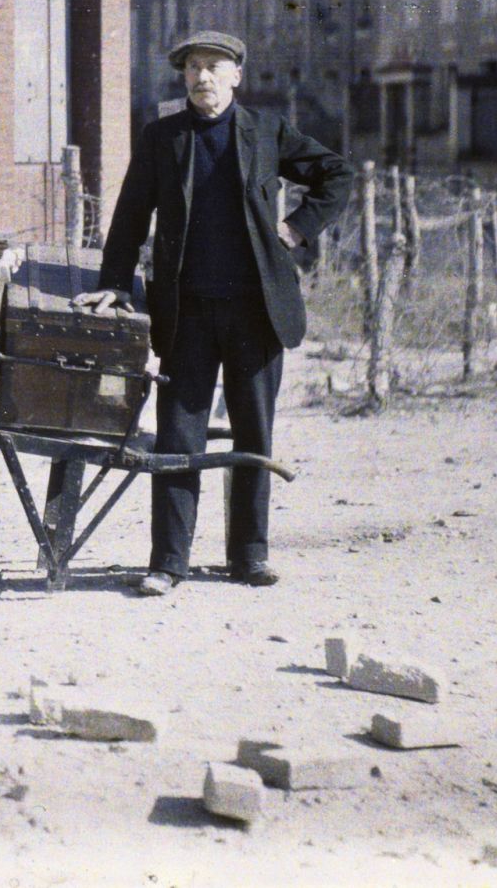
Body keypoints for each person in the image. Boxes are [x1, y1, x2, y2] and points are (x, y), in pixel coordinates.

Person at [79, 32, 353, 595]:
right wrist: (114, 283)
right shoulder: (163, 138)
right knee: (179, 437)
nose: (202, 77)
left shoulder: (267, 132)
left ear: (237, 76)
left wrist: (297, 226)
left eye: (214, 67)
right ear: (183, 79)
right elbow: (130, 217)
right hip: (187, 314)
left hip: (257, 312)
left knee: (253, 434)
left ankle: (250, 555)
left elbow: (338, 174)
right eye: (193, 69)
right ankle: (168, 561)